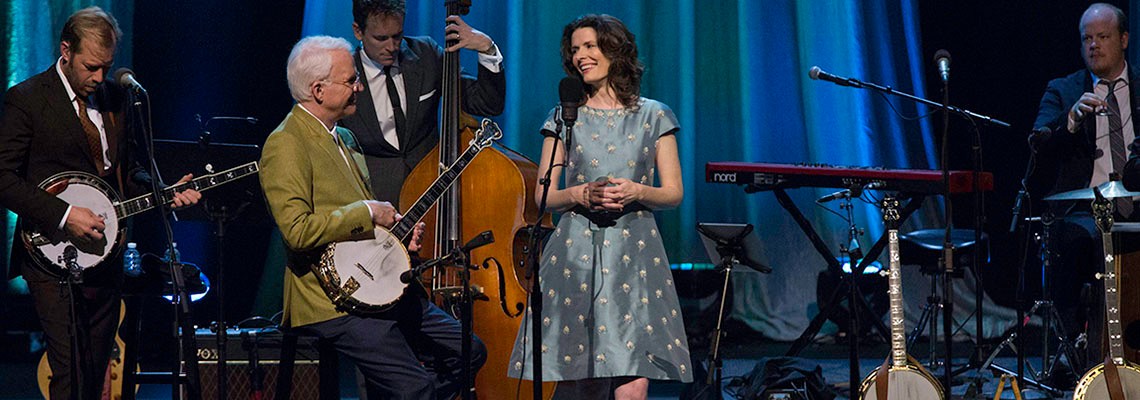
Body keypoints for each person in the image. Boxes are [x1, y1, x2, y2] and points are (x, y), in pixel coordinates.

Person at [259, 35, 485, 400]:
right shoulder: (286, 143)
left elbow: (361, 224)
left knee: (470, 350)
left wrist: (395, 235)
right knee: (416, 387)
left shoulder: (345, 138)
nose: (359, 87)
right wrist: (367, 211)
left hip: (376, 282)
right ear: (318, 90)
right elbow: (297, 231)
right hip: (330, 300)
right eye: (351, 80)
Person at [0, 7, 200, 399]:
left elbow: (132, 169)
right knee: (70, 370)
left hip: (105, 253)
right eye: (91, 67)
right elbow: (4, 177)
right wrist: (65, 215)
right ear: (66, 51)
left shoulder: (118, 98)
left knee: (95, 372)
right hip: (51, 254)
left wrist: (162, 190)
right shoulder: (27, 99)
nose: (98, 77)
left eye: (106, 67)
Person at [506, 14, 692, 399]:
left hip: (635, 254)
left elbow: (673, 193)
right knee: (582, 373)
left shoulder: (654, 115)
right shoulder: (564, 116)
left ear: (614, 50)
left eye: (590, 46)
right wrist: (580, 194)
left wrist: (636, 190)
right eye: (575, 49)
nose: (581, 56)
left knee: (634, 374)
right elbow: (543, 195)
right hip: (575, 255)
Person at [1033, 2, 1139, 369]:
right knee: (1077, 240)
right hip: (1084, 209)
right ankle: (1077, 352)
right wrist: (1071, 121)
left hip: (1136, 203)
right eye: (1087, 38)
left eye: (1103, 37)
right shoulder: (1063, 90)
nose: (1094, 45)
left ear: (1123, 40)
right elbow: (1039, 143)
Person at [339, 0, 505, 204]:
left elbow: (486, 104)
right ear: (358, 31)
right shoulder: (343, 74)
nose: (391, 47)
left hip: (430, 199)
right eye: (381, 38)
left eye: (397, 36)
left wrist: (487, 49)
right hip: (375, 204)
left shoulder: (426, 54)